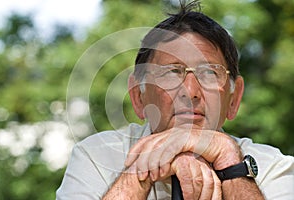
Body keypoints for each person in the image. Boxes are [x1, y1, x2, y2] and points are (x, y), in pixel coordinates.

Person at [56, 1, 294, 199]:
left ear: (234, 98)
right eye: (171, 73)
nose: (190, 91)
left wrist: (230, 161)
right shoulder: (97, 156)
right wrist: (141, 172)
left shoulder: (273, 167)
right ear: (138, 96)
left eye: (209, 73)